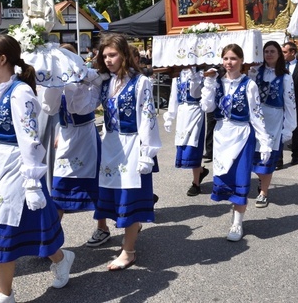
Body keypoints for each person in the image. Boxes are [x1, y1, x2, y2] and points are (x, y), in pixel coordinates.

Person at [0, 34, 74, 303]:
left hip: (18, 164)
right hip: (0, 159)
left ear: (2, 59)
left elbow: (29, 137)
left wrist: (31, 181)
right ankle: (62, 259)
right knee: (33, 222)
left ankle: (4, 292)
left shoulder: (20, 92)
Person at [94, 33, 161, 269]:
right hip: (110, 144)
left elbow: (147, 118)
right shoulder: (105, 82)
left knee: (130, 198)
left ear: (124, 55)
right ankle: (131, 233)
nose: (108, 59)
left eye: (112, 55)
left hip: (132, 145)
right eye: (105, 56)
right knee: (115, 198)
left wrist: (146, 152)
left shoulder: (140, 82)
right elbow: (87, 106)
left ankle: (129, 250)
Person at [200, 44, 271, 242]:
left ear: (241, 61)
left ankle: (237, 222)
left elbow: (256, 115)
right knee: (226, 179)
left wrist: (264, 142)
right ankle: (235, 216)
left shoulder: (249, 85)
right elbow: (207, 107)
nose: (229, 63)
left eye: (233, 59)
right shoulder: (216, 82)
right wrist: (208, 83)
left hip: (241, 136)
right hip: (222, 135)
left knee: (240, 180)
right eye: (226, 59)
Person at [42, 44, 110, 248]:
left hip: (85, 136)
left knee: (96, 185)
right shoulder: (57, 83)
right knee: (60, 185)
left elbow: (84, 107)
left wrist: (82, 79)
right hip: (67, 135)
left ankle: (103, 227)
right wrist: (60, 132)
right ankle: (50, 237)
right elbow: (50, 108)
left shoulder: (86, 80)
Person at [250, 41, 295, 208]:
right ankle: (262, 181)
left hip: (274, 120)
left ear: (279, 55)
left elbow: (290, 103)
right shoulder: (255, 71)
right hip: (256, 118)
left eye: (272, 51)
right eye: (266, 51)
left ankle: (264, 192)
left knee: (267, 158)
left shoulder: (285, 76)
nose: (269, 54)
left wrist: (289, 127)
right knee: (254, 156)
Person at [163, 67, 209, 196]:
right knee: (184, 147)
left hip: (195, 111)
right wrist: (170, 116)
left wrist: (194, 76)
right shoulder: (178, 75)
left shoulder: (200, 73)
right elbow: (174, 96)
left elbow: (196, 94)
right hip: (183, 113)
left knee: (193, 147)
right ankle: (200, 171)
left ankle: (196, 183)